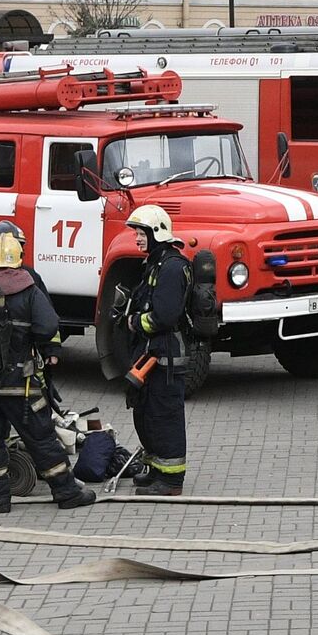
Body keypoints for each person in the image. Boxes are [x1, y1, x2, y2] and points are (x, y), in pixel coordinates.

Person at [0, 233, 97, 513]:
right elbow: (48, 326)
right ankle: (66, 492)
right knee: (40, 438)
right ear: (18, 259)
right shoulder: (28, 289)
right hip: (19, 387)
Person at [123, 204, 194, 495]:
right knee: (147, 412)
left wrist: (134, 322)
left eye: (141, 233)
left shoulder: (173, 267)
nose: (137, 239)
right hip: (151, 353)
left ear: (157, 233)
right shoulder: (156, 262)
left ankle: (171, 480)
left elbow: (164, 316)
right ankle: (155, 469)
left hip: (165, 356)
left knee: (165, 415)